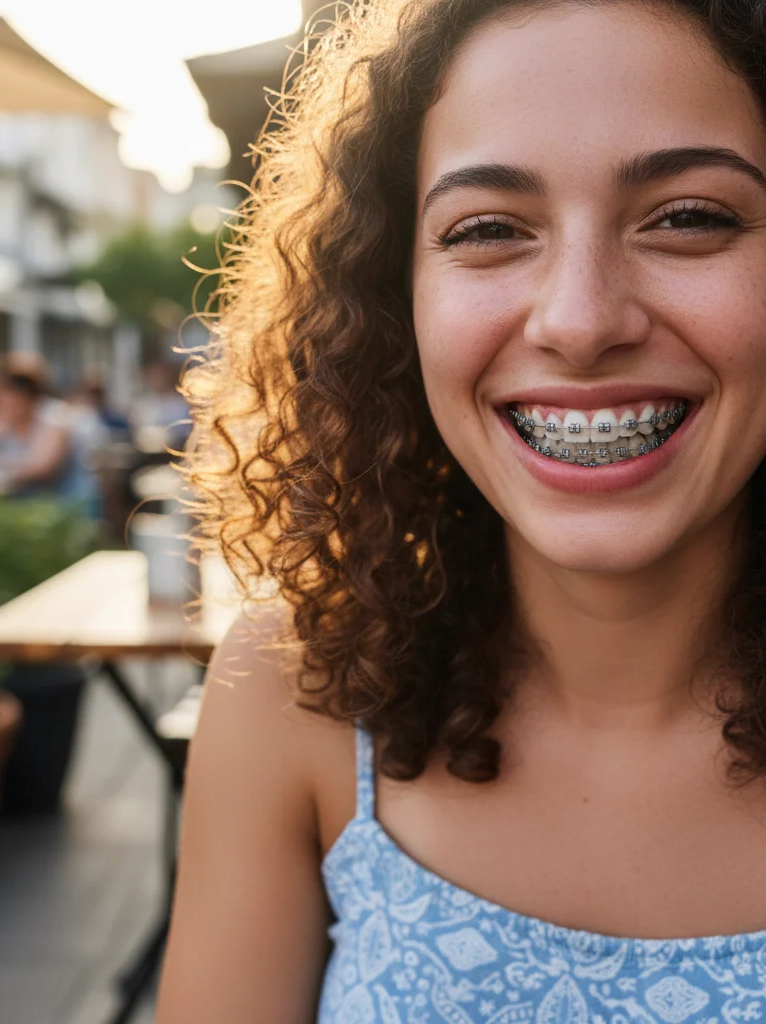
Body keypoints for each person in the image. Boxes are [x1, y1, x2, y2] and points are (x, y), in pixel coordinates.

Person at [157, 0, 766, 1020]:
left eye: (689, 216)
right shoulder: (291, 699)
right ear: (394, 297)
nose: (578, 320)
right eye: (487, 230)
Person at [0, 355, 87, 501]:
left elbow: (40, 468)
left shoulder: (54, 417)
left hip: (65, 505)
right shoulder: (1, 419)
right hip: (23, 503)